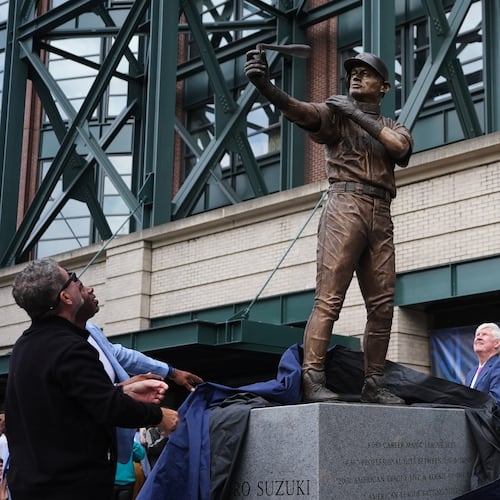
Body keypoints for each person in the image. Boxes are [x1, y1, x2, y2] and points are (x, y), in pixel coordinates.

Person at [245, 50, 413, 404]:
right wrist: (265, 85)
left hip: (381, 211)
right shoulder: (334, 115)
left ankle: (374, 384)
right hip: (345, 205)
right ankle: (312, 377)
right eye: (352, 72)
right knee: (329, 300)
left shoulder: (391, 126)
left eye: (365, 73)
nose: (355, 76)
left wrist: (355, 113)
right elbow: (298, 110)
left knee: (382, 306)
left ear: (383, 87)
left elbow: (399, 148)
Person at [5, 258, 179, 500]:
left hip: (33, 485)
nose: (82, 285)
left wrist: (120, 391)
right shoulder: (71, 348)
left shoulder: (25, 345)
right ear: (65, 298)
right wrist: (160, 416)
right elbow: (108, 407)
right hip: (71, 487)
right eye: (74, 279)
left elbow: (64, 405)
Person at [74, 280, 203, 463]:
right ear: (65, 298)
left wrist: (171, 372)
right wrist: (154, 412)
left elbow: (122, 356)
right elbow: (89, 396)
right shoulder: (61, 346)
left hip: (105, 452)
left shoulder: (91, 330)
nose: (90, 289)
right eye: (80, 287)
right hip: (79, 455)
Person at [465, 322, 500, 404]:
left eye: (484, 334)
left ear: (497, 343)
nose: (478, 338)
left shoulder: (498, 365)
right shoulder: (471, 373)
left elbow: (495, 402)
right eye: (477, 335)